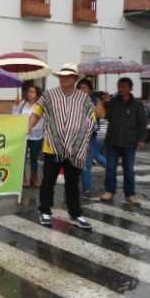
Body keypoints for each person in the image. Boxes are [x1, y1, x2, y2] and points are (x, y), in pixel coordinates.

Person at [29, 63, 95, 229]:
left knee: (73, 182)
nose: (64, 79)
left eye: (67, 76)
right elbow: (37, 112)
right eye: (61, 76)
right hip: (52, 146)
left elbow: (91, 117)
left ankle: (75, 214)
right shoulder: (49, 95)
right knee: (48, 181)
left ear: (74, 79)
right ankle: (44, 211)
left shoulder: (83, 98)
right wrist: (29, 126)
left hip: (74, 148)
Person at [100, 77, 147, 205]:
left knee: (129, 170)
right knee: (110, 168)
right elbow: (104, 116)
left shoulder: (137, 104)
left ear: (130, 88)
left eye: (124, 86)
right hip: (112, 141)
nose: (121, 89)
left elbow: (142, 123)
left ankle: (130, 194)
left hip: (129, 142)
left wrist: (142, 139)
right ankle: (109, 191)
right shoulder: (113, 102)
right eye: (119, 86)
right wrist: (104, 103)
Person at [76, 79, 107, 195]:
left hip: (95, 135)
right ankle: (110, 166)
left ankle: (87, 189)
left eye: (84, 88)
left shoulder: (95, 100)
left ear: (90, 90)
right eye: (80, 88)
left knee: (86, 162)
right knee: (96, 155)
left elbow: (102, 115)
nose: (81, 90)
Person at [13, 85, 43, 188]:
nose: (30, 93)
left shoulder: (40, 105)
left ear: (37, 95)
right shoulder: (22, 104)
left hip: (36, 136)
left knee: (34, 159)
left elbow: (42, 118)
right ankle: (24, 179)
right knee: (22, 159)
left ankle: (34, 178)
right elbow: (15, 116)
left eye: (33, 92)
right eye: (29, 91)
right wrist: (15, 105)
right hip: (23, 135)